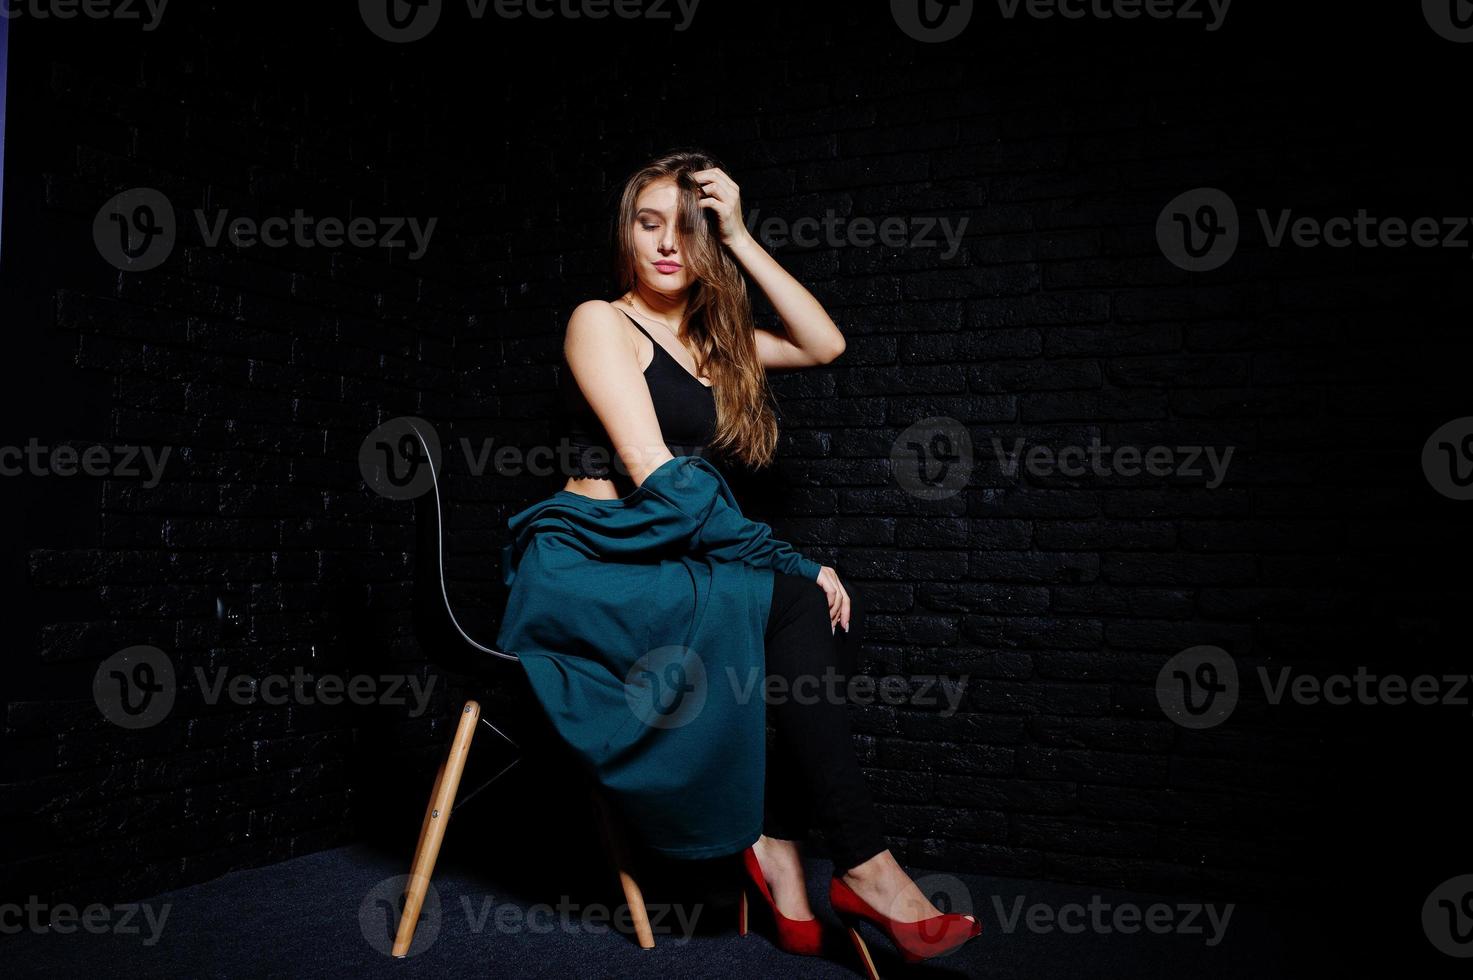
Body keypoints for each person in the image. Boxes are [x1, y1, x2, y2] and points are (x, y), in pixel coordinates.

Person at [506, 149, 978, 973]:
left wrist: (743, 237)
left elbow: (823, 344)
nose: (666, 245)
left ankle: (787, 862)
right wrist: (792, 558)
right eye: (649, 224)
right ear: (625, 231)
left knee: (807, 624)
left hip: (657, 555)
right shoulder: (600, 321)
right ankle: (858, 867)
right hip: (585, 565)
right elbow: (656, 475)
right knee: (797, 600)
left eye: (688, 230)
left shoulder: (712, 345)